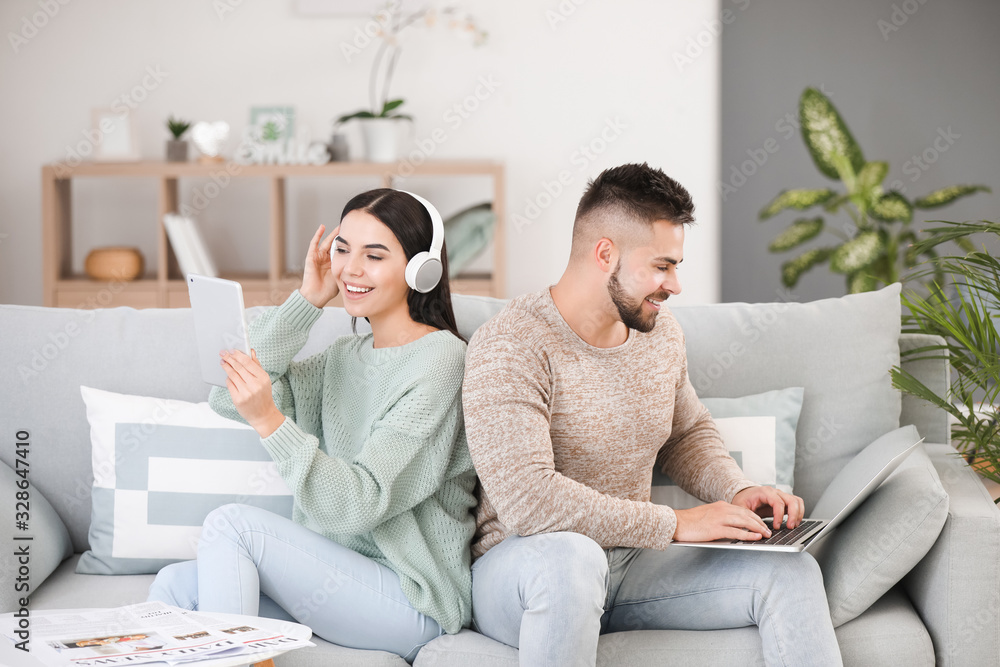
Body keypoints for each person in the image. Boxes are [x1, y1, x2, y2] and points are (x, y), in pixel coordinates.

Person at [461, 163, 843, 666]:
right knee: (571, 557)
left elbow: (686, 434)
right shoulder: (512, 343)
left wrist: (737, 490)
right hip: (527, 571)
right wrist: (676, 524)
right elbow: (528, 500)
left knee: (789, 571)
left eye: (677, 266)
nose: (676, 285)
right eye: (662, 266)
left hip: (632, 565)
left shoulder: (660, 335)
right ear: (605, 254)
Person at [148, 189, 477, 663]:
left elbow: (361, 503)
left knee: (233, 527)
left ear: (420, 269)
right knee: (174, 587)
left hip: (410, 599)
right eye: (342, 249)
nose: (350, 269)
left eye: (374, 255)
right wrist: (306, 301)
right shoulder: (344, 358)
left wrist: (270, 421)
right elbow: (227, 397)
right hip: (336, 584)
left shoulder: (442, 361)